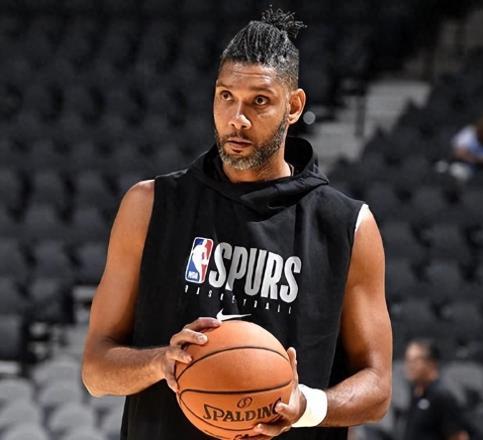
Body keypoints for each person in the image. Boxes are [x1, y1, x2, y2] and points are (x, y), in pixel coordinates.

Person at [81, 8, 392, 440]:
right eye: (226, 96)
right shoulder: (150, 205)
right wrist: (159, 362)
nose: (237, 118)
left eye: (259, 101)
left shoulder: (347, 226)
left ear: (294, 107)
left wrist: (305, 406)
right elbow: (96, 370)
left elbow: (377, 388)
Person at [403, 339, 470, 440]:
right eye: (407, 360)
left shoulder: (443, 395)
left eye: (415, 361)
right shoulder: (417, 392)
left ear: (431, 363)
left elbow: (458, 436)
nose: (409, 366)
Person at [440, 114, 483, 181]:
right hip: (460, 164)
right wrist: (479, 160)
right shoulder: (470, 132)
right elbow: (459, 153)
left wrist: (474, 158)